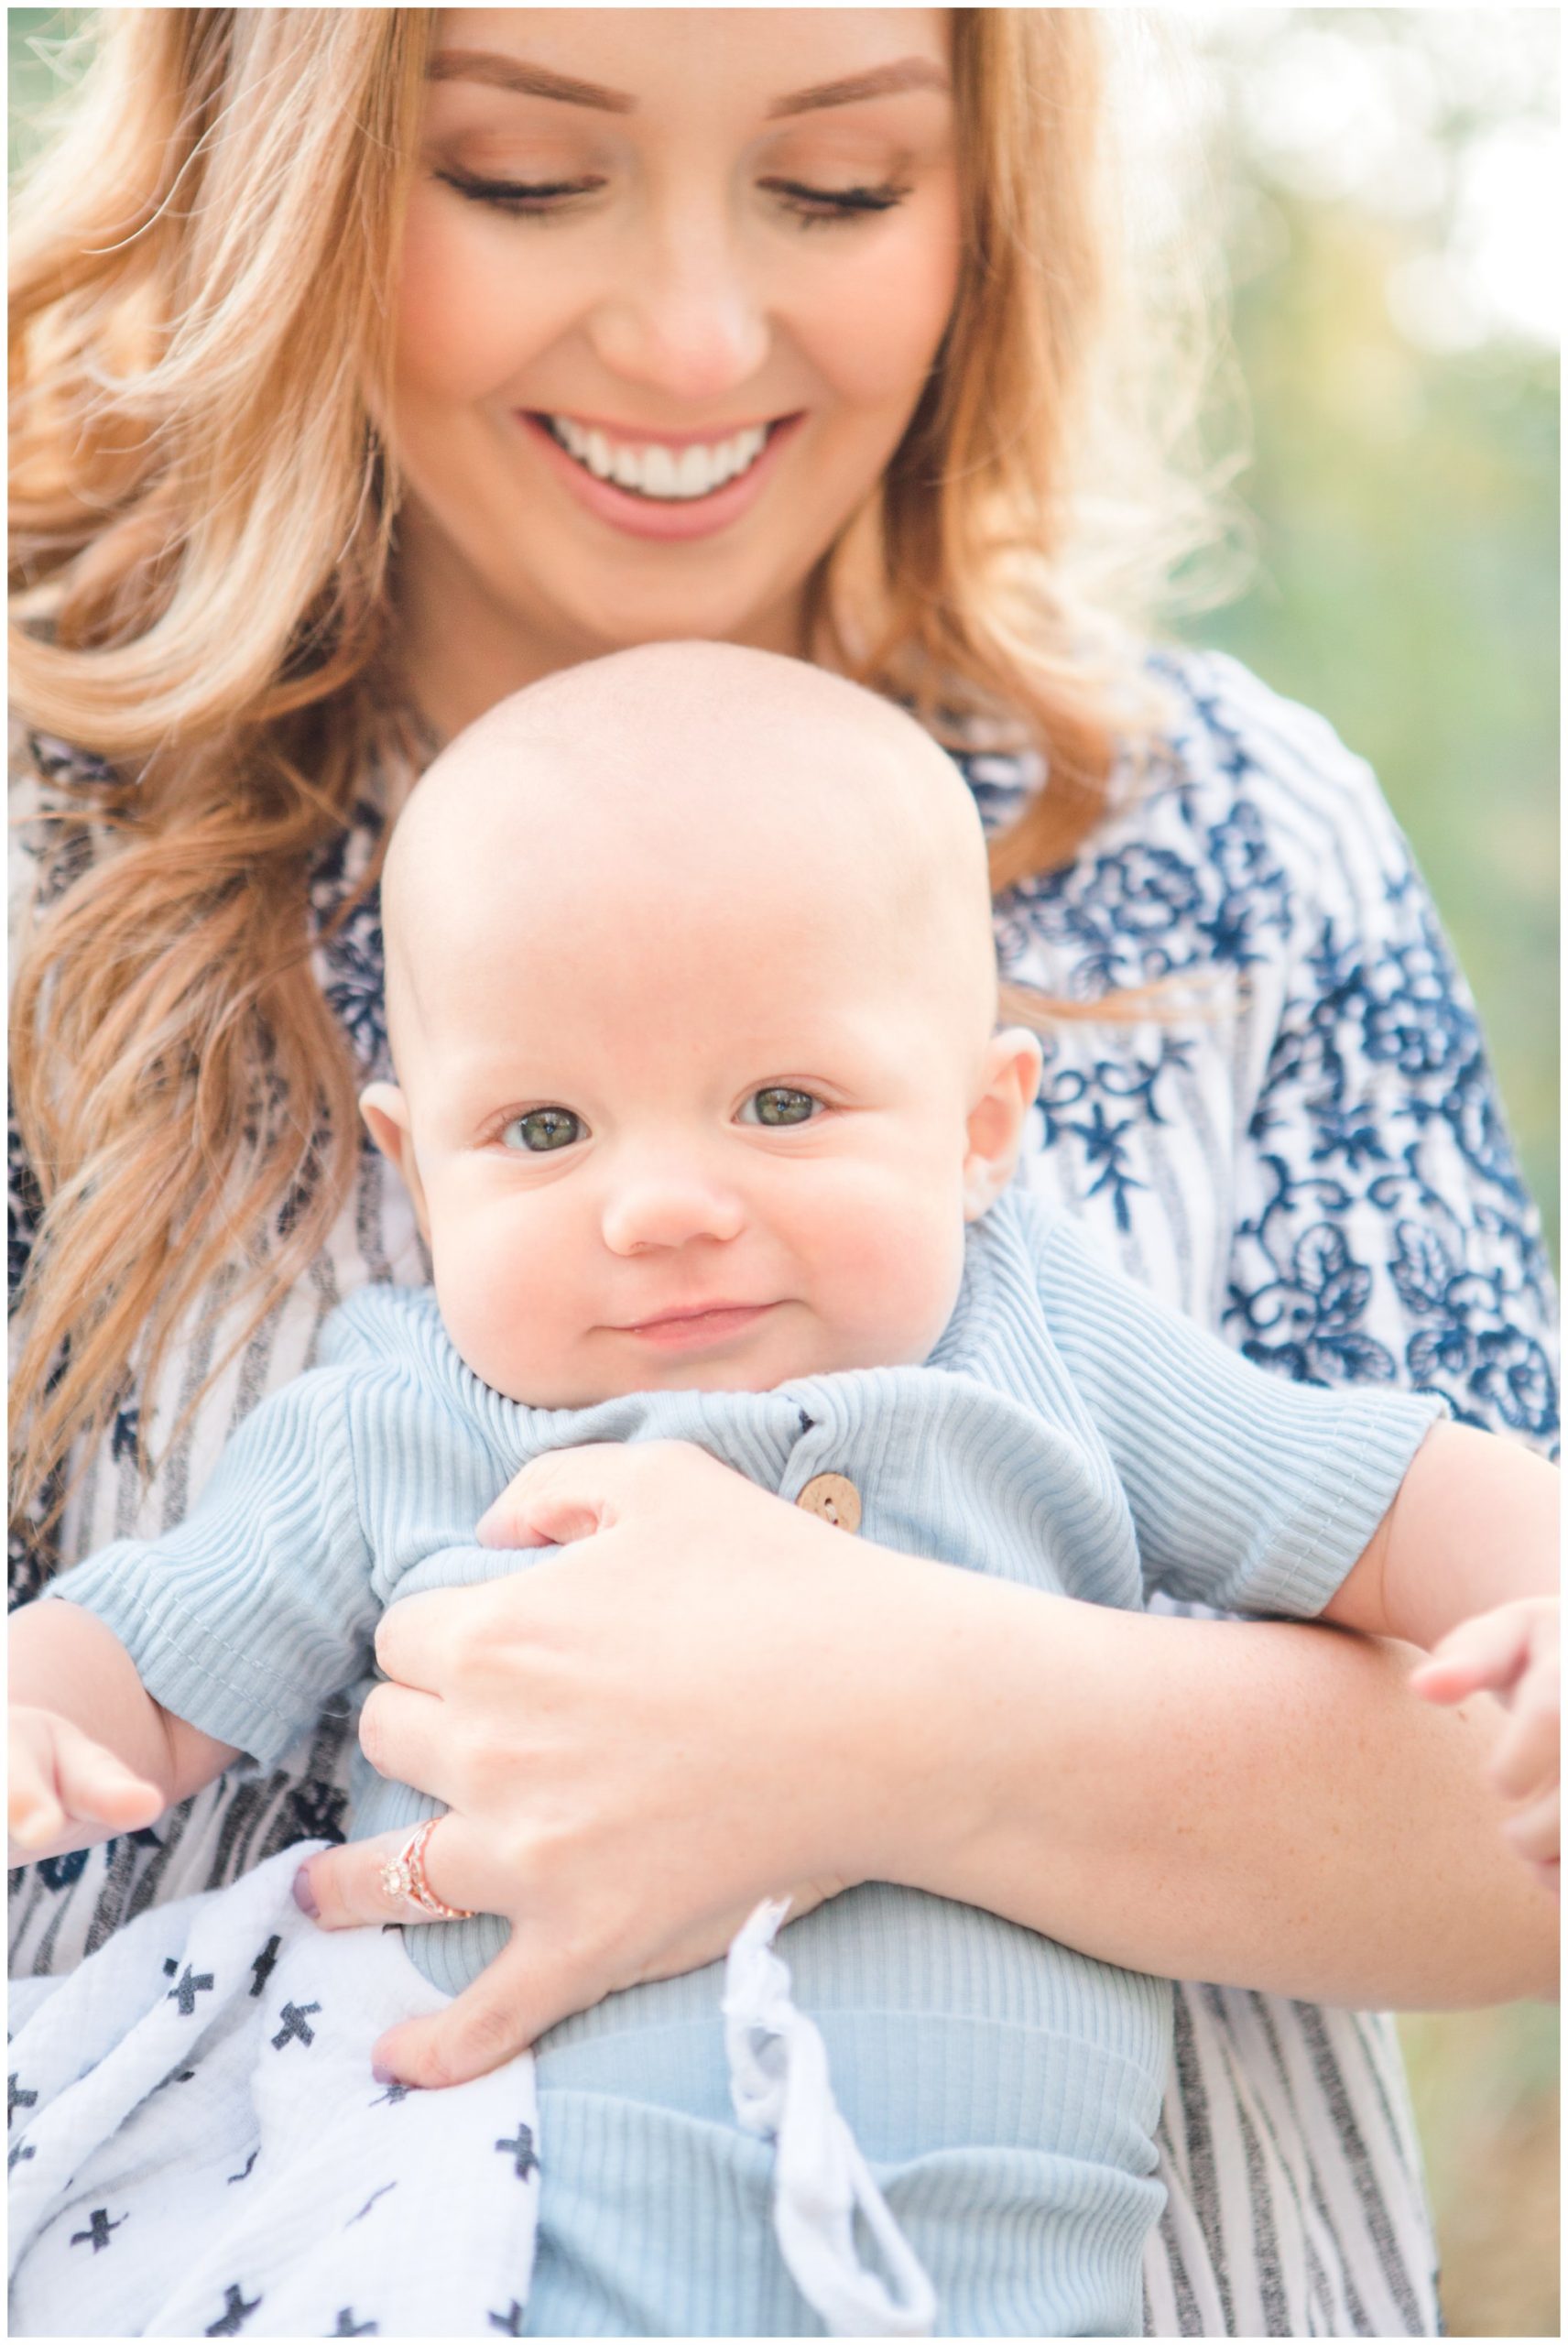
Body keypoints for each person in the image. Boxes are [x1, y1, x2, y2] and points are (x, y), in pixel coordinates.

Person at [8, 11, 1557, 2338]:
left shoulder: (1229, 849)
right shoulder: (48, 860)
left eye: (836, 190)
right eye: (527, 177)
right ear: (281, 165)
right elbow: (134, 1677)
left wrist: (892, 1722)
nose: (697, 334)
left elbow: (1508, 1762)